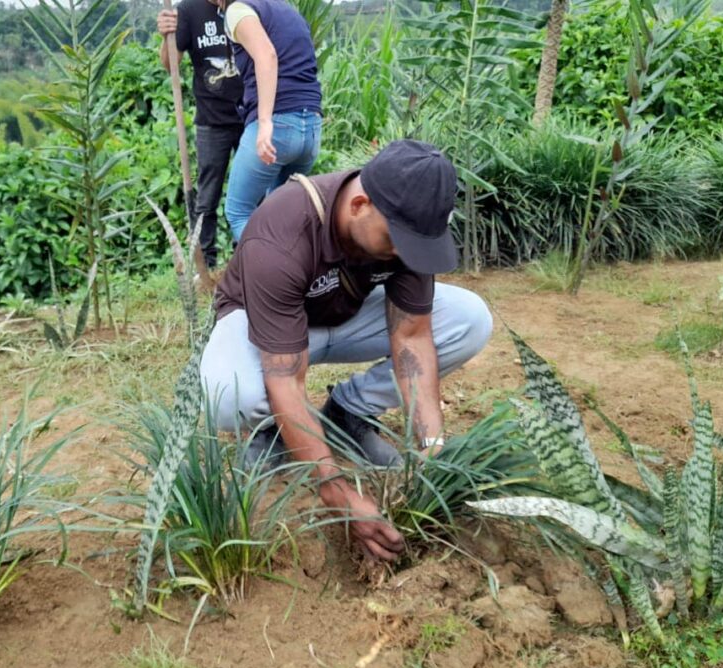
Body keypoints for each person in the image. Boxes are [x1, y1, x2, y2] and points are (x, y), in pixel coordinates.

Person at [199, 140, 493, 560]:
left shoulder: (400, 225)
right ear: (359, 204)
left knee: (470, 319)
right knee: (230, 394)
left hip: (343, 317)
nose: (403, 254)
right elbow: (285, 377)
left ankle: (348, 411)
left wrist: (431, 446)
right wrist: (336, 490)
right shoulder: (282, 235)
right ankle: (270, 431)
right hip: (259, 326)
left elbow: (411, 337)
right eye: (396, 241)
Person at [219, 0, 323, 242]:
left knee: (239, 212)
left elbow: (266, 54)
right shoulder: (286, 9)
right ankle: (299, 274)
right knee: (282, 218)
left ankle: (269, 273)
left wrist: (265, 123)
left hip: (277, 127)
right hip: (311, 128)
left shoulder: (238, 10)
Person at [157, 0, 244, 269]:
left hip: (250, 116)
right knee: (207, 198)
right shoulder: (188, 10)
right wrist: (166, 38)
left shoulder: (244, 5)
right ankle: (206, 265)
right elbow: (171, 65)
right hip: (211, 122)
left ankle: (246, 258)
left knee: (251, 193)